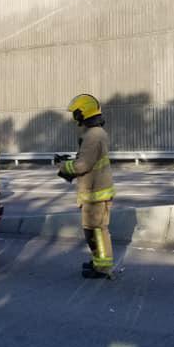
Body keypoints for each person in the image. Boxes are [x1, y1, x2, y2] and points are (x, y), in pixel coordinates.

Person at [58, 93, 115, 280]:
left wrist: (63, 166)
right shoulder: (96, 133)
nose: (74, 117)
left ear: (83, 113)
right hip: (95, 191)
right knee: (94, 230)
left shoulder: (92, 136)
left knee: (96, 231)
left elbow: (82, 165)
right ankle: (98, 261)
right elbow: (87, 160)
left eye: (76, 113)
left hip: (95, 194)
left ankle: (102, 267)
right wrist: (71, 161)